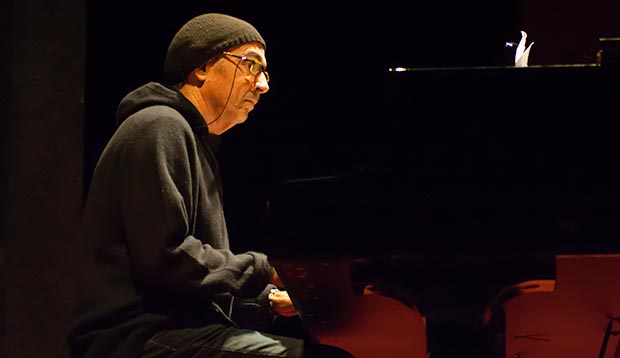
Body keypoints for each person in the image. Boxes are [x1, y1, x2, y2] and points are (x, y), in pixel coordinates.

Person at [67, 13, 353, 358]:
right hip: (134, 339)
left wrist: (267, 303)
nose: (263, 85)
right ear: (201, 67)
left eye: (264, 72)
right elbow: (167, 257)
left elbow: (193, 283)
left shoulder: (195, 143)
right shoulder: (159, 126)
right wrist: (265, 271)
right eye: (250, 65)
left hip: (174, 331)